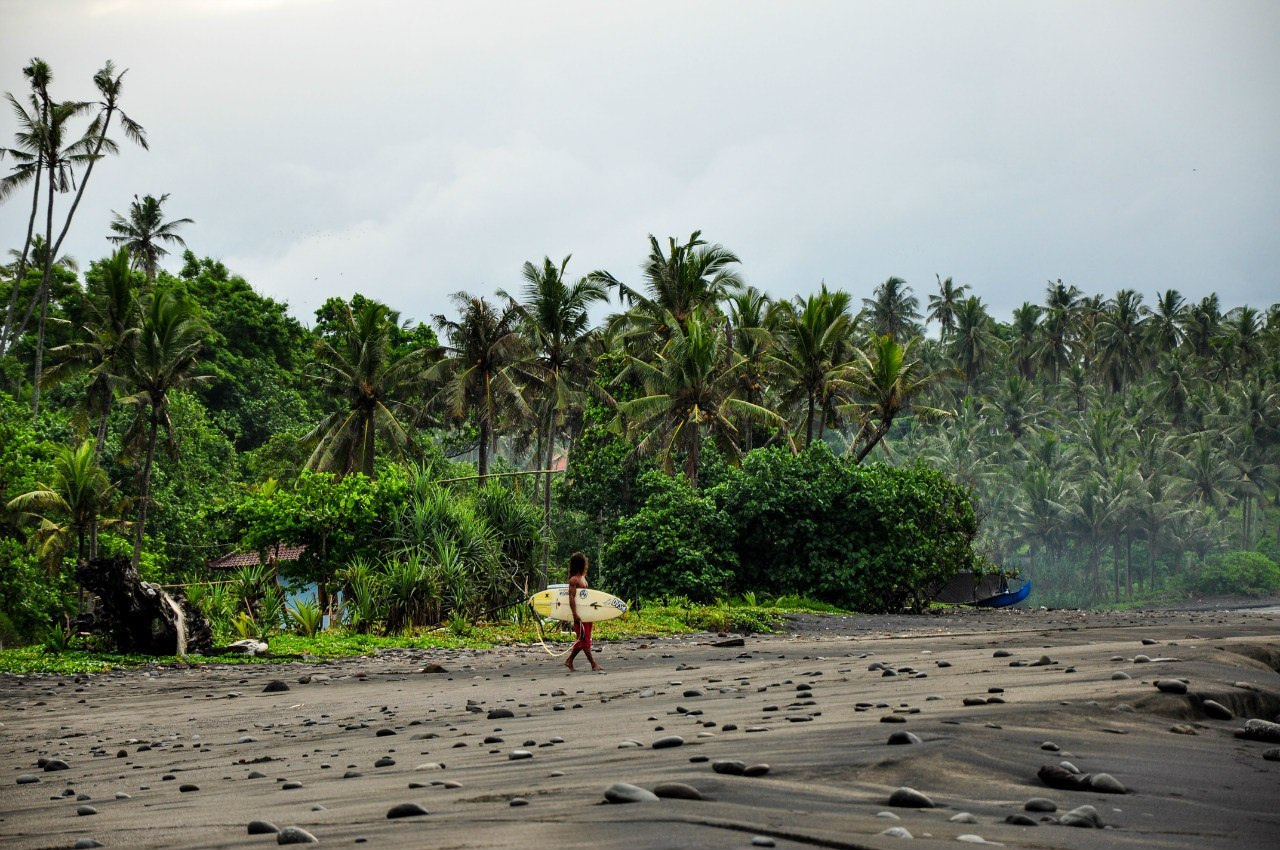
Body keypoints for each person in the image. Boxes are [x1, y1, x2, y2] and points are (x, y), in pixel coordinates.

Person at [564, 551, 602, 672]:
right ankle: (593, 664)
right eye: (584, 563)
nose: (586, 565)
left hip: (586, 614)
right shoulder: (574, 580)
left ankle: (569, 660)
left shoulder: (583, 578)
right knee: (584, 639)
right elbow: (571, 598)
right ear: (580, 564)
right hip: (579, 615)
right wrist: (575, 614)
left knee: (584, 639)